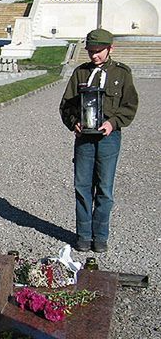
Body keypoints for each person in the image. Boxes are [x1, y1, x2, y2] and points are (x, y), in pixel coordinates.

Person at [60, 28, 138, 253]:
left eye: (98, 51)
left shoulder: (122, 74)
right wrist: (74, 121)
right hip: (84, 138)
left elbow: (130, 105)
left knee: (105, 188)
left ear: (110, 48)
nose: (94, 56)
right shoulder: (80, 73)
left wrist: (113, 123)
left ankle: (100, 235)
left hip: (108, 138)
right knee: (82, 186)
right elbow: (66, 105)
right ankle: (83, 235)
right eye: (90, 51)